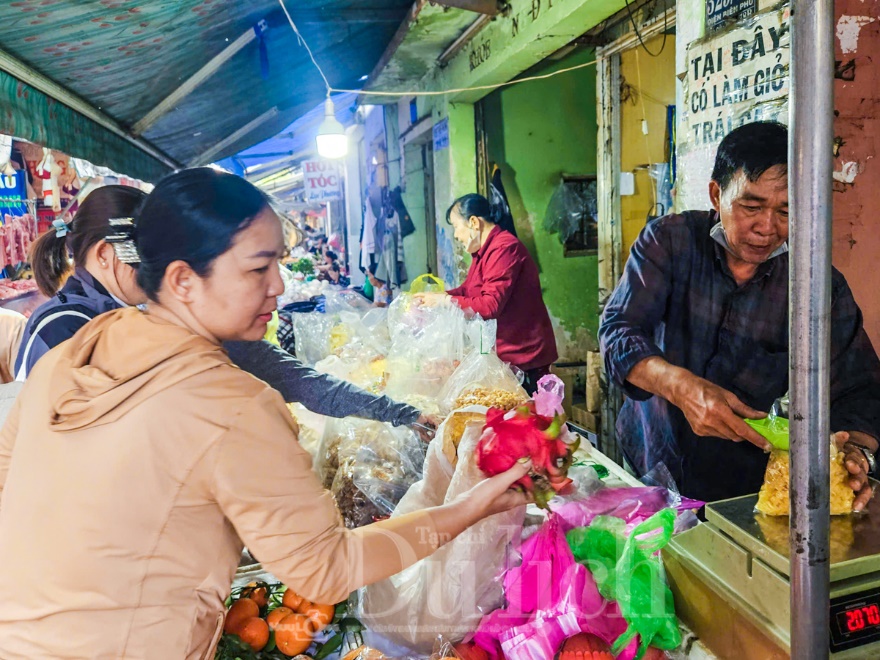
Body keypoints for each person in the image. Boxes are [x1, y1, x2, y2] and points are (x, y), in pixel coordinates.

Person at [0, 168, 531, 658]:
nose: (278, 284)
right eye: (259, 267)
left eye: (278, 261)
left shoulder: (72, 354)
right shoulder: (231, 404)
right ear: (183, 280)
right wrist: (469, 507)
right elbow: (328, 569)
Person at [599, 121, 880, 508]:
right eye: (751, 206)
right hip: (652, 457)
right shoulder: (669, 240)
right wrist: (681, 387)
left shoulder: (818, 286)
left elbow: (861, 389)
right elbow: (619, 331)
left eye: (786, 211)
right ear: (717, 194)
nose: (767, 227)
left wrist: (856, 455)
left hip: (745, 488)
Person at [16, 185, 436, 436]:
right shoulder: (60, 329)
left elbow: (290, 377)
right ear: (106, 254)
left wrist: (399, 414)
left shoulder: (163, 315)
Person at [423, 193, 557, 394]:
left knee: (529, 418)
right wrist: (434, 299)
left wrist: (445, 300)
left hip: (524, 355)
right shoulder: (484, 251)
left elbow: (490, 305)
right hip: (505, 353)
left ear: (474, 222)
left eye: (456, 226)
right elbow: (468, 291)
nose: (457, 235)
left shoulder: (504, 248)